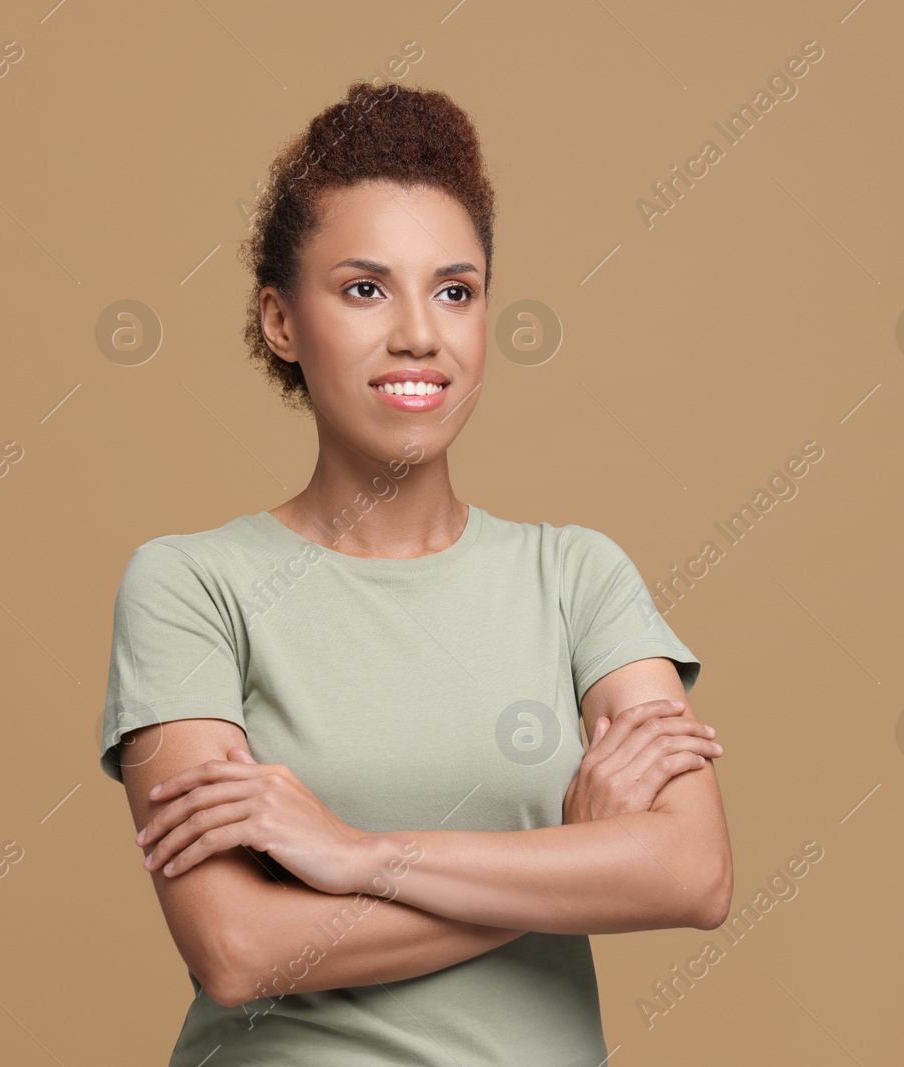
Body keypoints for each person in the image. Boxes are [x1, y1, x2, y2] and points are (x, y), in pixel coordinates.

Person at [98, 79, 732, 1065]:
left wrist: (359, 855)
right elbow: (236, 947)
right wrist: (571, 862)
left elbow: (693, 872)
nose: (419, 335)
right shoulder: (192, 586)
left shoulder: (577, 577)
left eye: (454, 289)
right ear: (278, 321)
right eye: (363, 288)